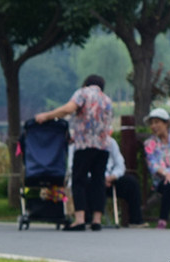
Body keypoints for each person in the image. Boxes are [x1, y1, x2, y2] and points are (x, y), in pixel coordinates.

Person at [34, 74, 115, 231]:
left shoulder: (83, 93)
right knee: (98, 181)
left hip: (84, 145)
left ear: (87, 83)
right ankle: (97, 220)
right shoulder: (107, 100)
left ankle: (80, 219)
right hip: (103, 147)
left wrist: (47, 115)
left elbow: (68, 109)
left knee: (79, 181)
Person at [103, 137, 146, 227]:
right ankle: (88, 219)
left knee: (131, 182)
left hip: (111, 178)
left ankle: (135, 220)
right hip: (92, 178)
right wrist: (100, 178)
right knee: (85, 183)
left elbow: (120, 165)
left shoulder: (111, 142)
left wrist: (113, 176)